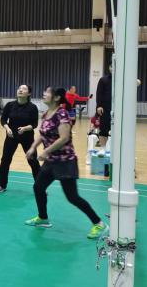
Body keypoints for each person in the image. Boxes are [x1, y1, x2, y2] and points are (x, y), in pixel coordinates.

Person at [24, 87, 107, 239]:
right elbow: (42, 134)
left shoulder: (62, 114)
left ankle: (99, 223)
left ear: (56, 98)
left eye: (47, 92)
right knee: (38, 187)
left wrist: (46, 151)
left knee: (72, 197)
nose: (44, 94)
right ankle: (43, 218)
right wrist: (33, 147)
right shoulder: (46, 113)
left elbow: (64, 138)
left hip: (65, 161)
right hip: (51, 161)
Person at [0, 84, 41, 193]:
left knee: (33, 161)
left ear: (29, 93)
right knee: (5, 160)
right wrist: (7, 128)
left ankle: (41, 186)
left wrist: (25, 128)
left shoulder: (33, 107)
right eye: (19, 88)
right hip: (11, 136)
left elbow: (34, 124)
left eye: (24, 89)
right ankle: (1, 184)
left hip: (27, 138)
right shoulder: (10, 105)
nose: (20, 90)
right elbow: (3, 120)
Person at [95, 65, 112, 147]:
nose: (113, 68)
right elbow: (99, 93)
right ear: (109, 67)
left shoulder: (121, 80)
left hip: (118, 109)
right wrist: (99, 106)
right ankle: (103, 149)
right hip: (105, 109)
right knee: (104, 130)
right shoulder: (103, 80)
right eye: (111, 66)